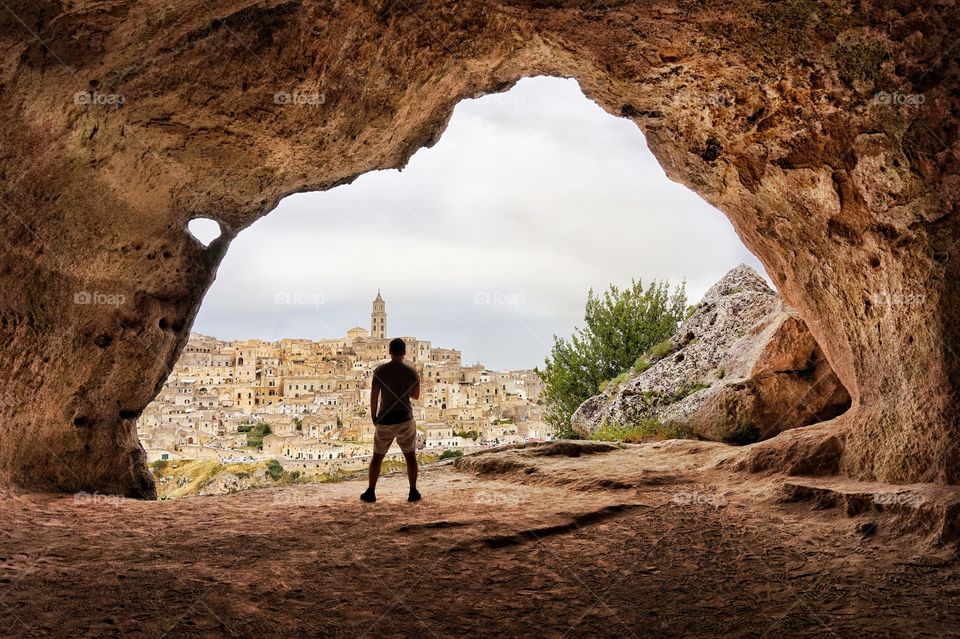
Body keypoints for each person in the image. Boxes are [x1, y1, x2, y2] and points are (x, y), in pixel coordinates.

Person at [361, 337, 421, 503]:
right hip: (406, 419)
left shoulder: (380, 371)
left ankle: (371, 491)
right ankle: (413, 491)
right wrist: (402, 389)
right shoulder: (412, 372)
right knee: (410, 457)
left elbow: (374, 396)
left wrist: (374, 417)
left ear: (390, 351)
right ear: (404, 352)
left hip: (385, 419)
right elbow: (416, 396)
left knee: (377, 457)